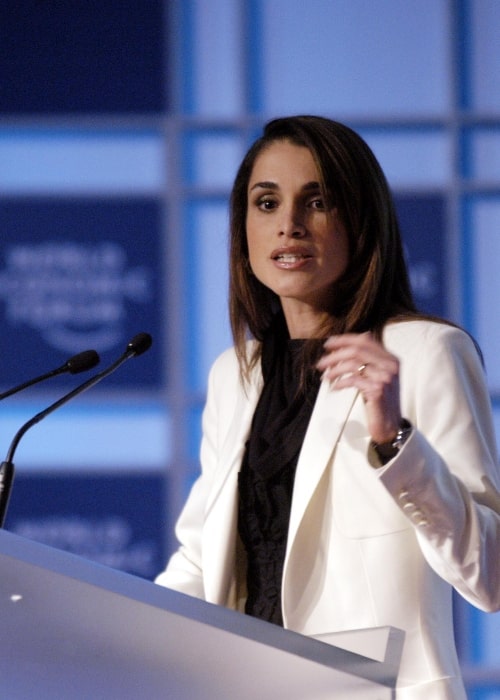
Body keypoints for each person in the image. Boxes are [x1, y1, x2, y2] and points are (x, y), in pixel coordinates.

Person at [156, 115, 500, 699]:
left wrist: (395, 441)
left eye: (316, 202)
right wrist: (111, 634)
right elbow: (201, 558)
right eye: (266, 203)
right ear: (243, 229)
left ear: (360, 222)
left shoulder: (424, 352)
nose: (288, 225)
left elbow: (490, 573)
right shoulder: (232, 375)